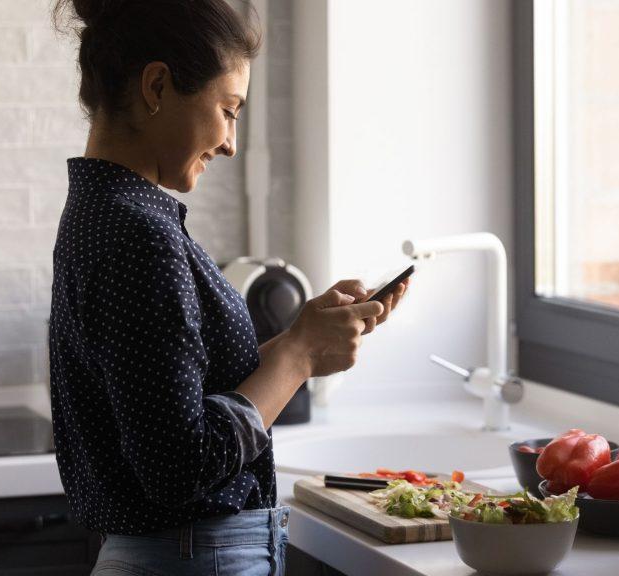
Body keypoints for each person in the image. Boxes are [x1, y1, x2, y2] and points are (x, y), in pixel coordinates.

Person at [48, 1, 409, 574]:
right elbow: (181, 468)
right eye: (228, 110)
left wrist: (304, 341)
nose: (231, 143)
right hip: (191, 558)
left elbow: (181, 399)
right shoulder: (139, 234)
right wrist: (297, 354)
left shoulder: (104, 210)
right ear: (157, 86)